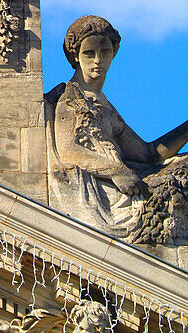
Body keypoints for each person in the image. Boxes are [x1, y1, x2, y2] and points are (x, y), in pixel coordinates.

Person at [46, 15, 188, 244]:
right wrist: (116, 172)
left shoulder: (104, 104)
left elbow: (148, 154)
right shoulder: (69, 98)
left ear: (114, 53)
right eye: (89, 54)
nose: (98, 61)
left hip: (122, 182)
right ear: (75, 56)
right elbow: (68, 149)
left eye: (105, 53)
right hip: (102, 191)